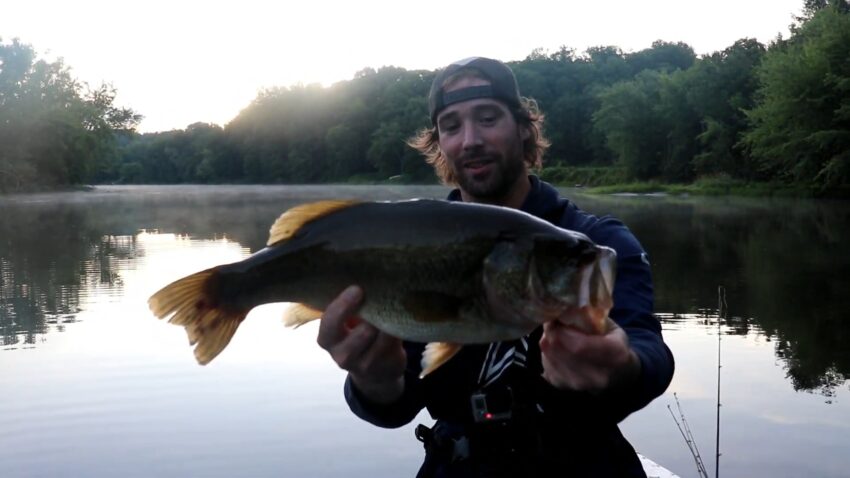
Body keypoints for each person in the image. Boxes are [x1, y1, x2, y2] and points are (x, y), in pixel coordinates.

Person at [316, 57, 674, 477]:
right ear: (439, 143)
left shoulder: (593, 246)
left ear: (524, 127)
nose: (470, 140)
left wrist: (624, 366)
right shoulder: (408, 248)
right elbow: (396, 405)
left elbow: (649, 349)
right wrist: (371, 380)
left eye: (487, 118)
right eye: (451, 126)